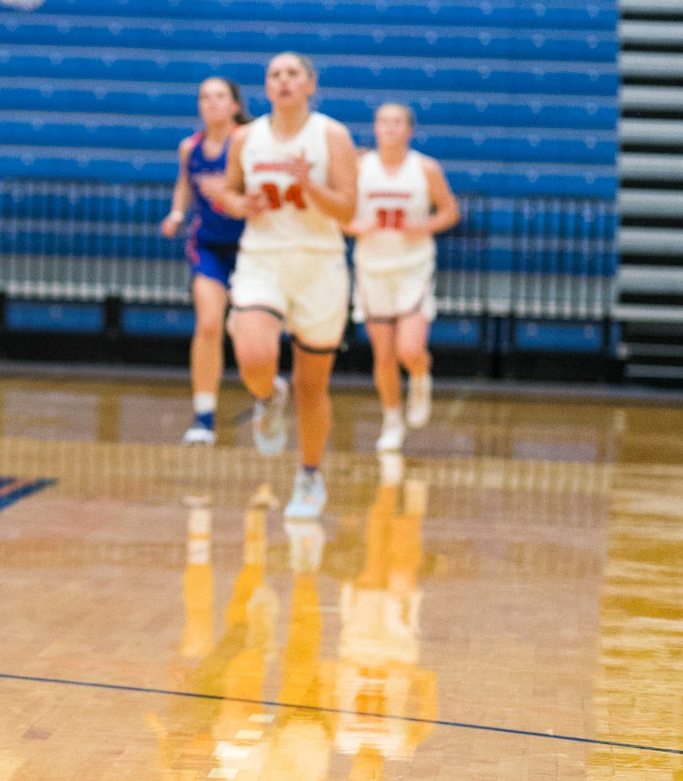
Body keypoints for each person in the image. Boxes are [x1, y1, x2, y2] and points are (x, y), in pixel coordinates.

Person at [203, 51, 356, 521]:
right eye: (275, 74)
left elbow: (349, 213)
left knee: (314, 385)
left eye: (293, 74)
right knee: (252, 353)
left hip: (319, 263)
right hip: (263, 257)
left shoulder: (331, 135)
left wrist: (310, 185)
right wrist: (237, 201)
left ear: (310, 84)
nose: (283, 81)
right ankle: (268, 398)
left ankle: (309, 475)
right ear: (266, 88)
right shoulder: (245, 136)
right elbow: (229, 192)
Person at [347, 104, 459, 452]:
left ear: (409, 130)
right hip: (372, 268)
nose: (389, 127)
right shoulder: (358, 167)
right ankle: (392, 419)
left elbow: (451, 211)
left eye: (396, 122)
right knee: (383, 353)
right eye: (383, 121)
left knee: (408, 349)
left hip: (413, 267)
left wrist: (422, 227)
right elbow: (338, 213)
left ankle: (421, 376)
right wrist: (354, 227)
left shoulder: (425, 169)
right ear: (375, 128)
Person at [161, 77, 248, 445]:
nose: (211, 103)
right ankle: (203, 415)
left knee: (243, 329)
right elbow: (185, 184)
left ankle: (264, 391)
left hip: (251, 247)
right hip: (210, 245)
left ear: (234, 105)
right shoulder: (190, 147)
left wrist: (230, 195)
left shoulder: (249, 142)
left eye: (219, 97)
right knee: (209, 323)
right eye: (205, 97)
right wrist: (177, 212)